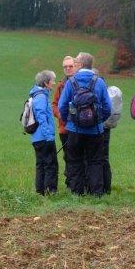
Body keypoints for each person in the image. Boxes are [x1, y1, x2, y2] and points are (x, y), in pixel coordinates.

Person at [58, 52, 113, 195]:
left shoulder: (71, 82)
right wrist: (99, 120)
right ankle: (96, 193)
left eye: (76, 62)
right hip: (95, 131)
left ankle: (76, 192)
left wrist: (69, 121)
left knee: (75, 161)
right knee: (95, 161)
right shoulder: (99, 82)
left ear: (81, 64)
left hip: (74, 130)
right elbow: (108, 107)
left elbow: (62, 106)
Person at [30, 70, 58, 195]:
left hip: (37, 138)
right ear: (46, 83)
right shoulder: (41, 97)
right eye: (52, 80)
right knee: (50, 165)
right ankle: (50, 192)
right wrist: (49, 136)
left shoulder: (37, 95)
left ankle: (40, 192)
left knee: (41, 165)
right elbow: (41, 117)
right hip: (44, 138)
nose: (54, 83)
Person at [52, 55, 76, 189]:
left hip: (79, 128)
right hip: (64, 129)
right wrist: (60, 114)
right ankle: (70, 184)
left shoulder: (81, 82)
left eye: (70, 66)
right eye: (65, 67)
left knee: (79, 156)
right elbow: (54, 104)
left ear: (76, 66)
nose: (68, 68)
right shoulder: (61, 86)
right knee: (68, 157)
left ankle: (79, 184)